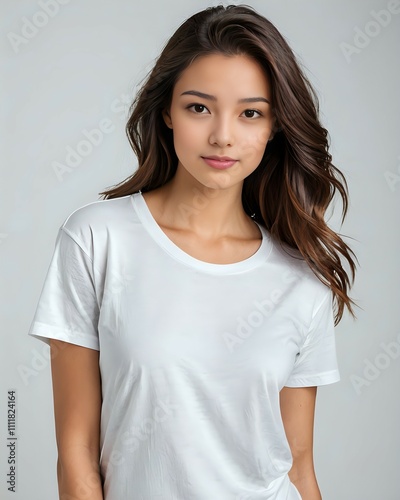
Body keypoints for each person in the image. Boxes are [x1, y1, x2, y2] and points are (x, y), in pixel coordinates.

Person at [28, 4, 357, 499]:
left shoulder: (300, 278)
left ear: (275, 127)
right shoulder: (97, 239)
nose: (223, 135)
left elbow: (298, 466)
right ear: (167, 111)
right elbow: (77, 450)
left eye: (251, 113)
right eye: (199, 107)